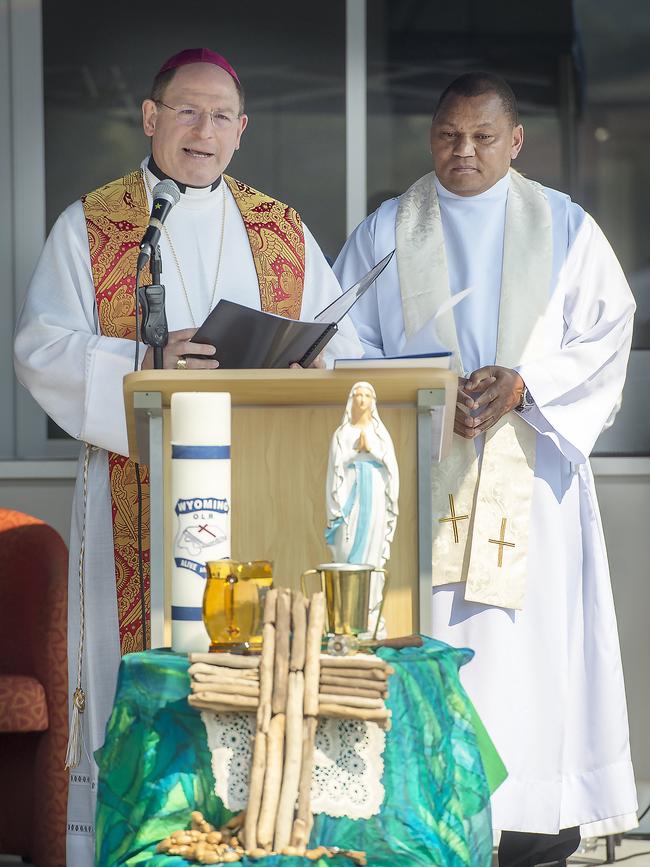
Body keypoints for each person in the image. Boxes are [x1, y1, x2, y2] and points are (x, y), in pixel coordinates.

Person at [13, 47, 361, 866]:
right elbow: (40, 348)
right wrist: (142, 362)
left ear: (242, 132)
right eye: (187, 112)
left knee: (248, 682)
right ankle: (136, 846)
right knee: (140, 671)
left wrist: (312, 362)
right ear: (150, 118)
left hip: (260, 492)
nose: (203, 131)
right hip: (133, 490)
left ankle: (247, 837)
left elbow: (340, 344)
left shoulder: (281, 230)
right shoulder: (93, 226)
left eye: (221, 117)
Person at [333, 72, 637, 866]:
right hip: (422, 480)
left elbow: (606, 333)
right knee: (432, 650)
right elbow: (338, 342)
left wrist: (526, 386)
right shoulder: (387, 232)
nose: (462, 151)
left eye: (481, 136)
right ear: (431, 136)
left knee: (533, 662)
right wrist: (430, 395)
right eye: (447, 136)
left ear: (516, 141)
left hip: (533, 486)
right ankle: (429, 823)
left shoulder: (565, 227)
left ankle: (536, 825)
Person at [325, 381, 399, 636]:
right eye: (358, 395)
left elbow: (391, 471)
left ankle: (369, 614)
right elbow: (335, 473)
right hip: (350, 503)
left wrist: (372, 453)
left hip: (375, 499)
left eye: (367, 395)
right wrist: (353, 454)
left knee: (373, 554)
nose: (362, 400)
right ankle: (346, 618)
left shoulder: (380, 434)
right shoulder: (342, 434)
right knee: (345, 552)